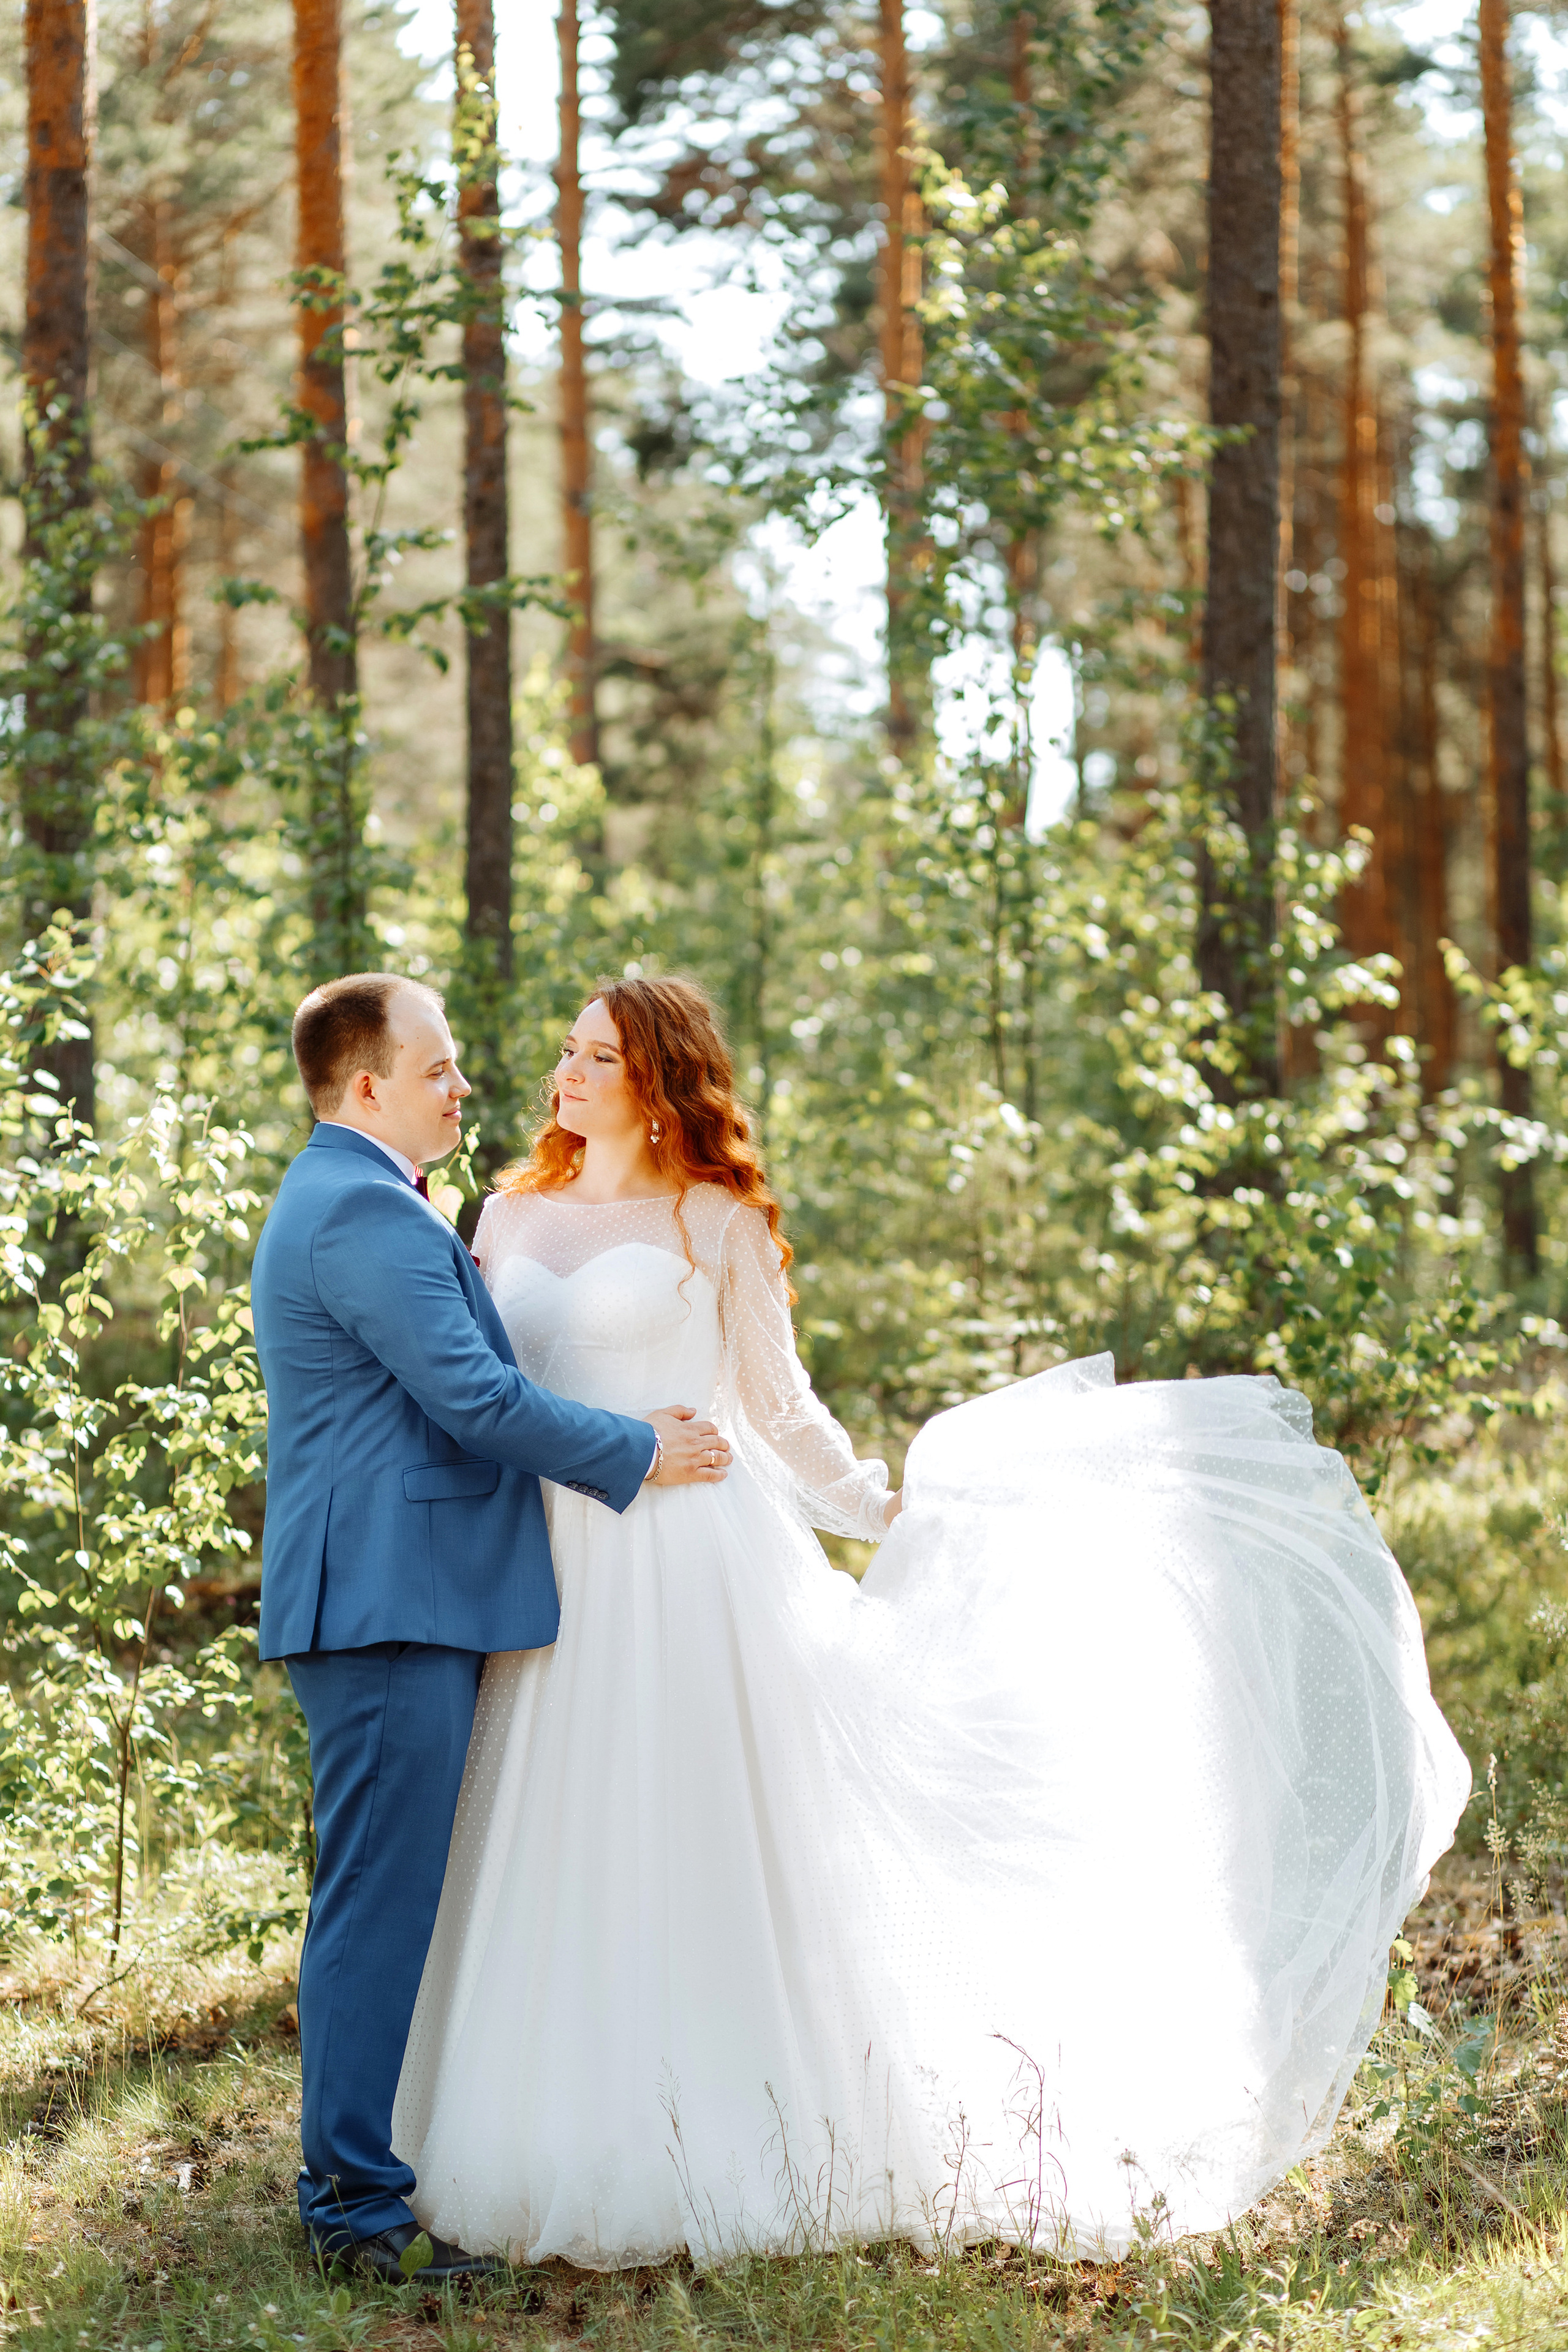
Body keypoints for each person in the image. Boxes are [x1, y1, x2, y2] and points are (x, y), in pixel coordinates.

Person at [391, 973, 1472, 2268]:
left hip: (692, 1565)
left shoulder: (714, 1222)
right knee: (542, 1829)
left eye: (599, 1058)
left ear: (660, 1082)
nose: (565, 1074)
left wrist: (871, 1507)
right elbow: (480, 1391)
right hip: (551, 1556)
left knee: (695, 1835)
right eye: (565, 1049)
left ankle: (723, 2127)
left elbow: (777, 1409)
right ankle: (527, 2114)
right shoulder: (498, 1217)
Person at [251, 973, 732, 2286]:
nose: (464, 1088)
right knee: (376, 1902)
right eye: (437, 1069)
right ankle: (352, 2214)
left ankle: (359, 2177)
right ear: (368, 1088)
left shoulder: (370, 1204)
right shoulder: (365, 1215)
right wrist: (638, 1446)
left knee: (392, 1894)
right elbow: (476, 1401)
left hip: (394, 1591)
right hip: (388, 1600)